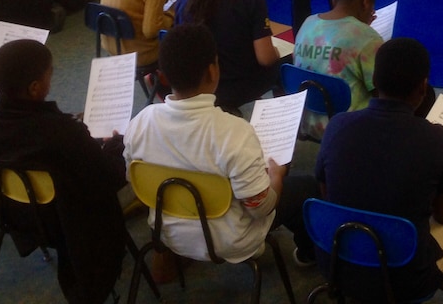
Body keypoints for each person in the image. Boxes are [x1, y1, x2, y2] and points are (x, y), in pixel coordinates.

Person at [122, 23, 318, 280]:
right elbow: (261, 208)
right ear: (213, 71)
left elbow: (134, 181)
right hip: (231, 240)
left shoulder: (140, 123)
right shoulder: (234, 132)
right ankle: (308, 254)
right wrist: (277, 177)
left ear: (164, 75)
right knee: (307, 188)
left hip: (167, 231)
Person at [316, 37, 443, 304]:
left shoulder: (337, 125)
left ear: (375, 79)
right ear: (423, 87)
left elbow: (326, 193)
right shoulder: (436, 138)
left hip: (337, 265)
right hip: (405, 280)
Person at [0, 40, 126, 304]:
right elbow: (110, 178)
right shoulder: (61, 133)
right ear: (35, 88)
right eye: (50, 73)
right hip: (63, 224)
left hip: (11, 215)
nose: (52, 77)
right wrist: (115, 147)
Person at [174, 0, 280, 111]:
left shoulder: (186, 0)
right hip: (239, 86)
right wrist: (275, 52)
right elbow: (265, 58)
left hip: (198, 85)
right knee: (283, 64)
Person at [293, 0, 382, 138]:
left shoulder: (308, 23)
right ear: (367, 2)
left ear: (334, 1)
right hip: (347, 128)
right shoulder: (366, 37)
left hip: (305, 120)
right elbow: (382, 90)